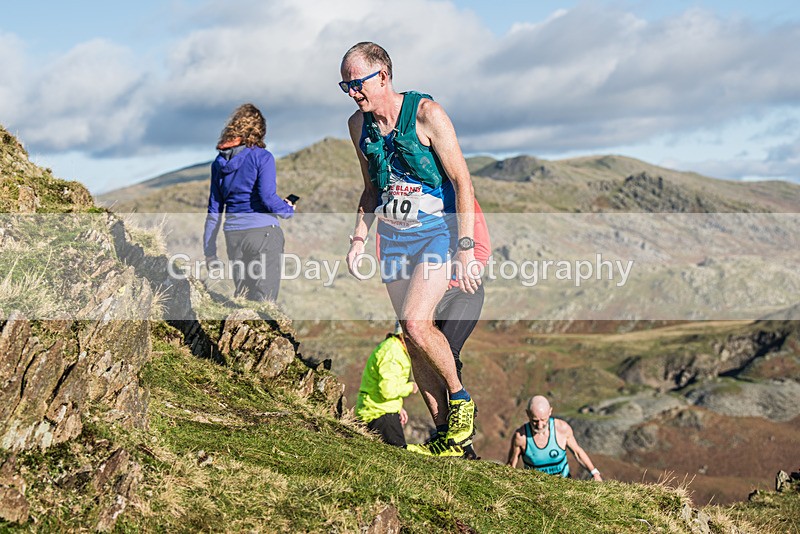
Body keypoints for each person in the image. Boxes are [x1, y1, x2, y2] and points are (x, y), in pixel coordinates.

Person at [341, 42, 481, 456]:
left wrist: (467, 249)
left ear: (383, 75)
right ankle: (447, 437)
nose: (352, 92)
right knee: (409, 333)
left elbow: (463, 183)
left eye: (357, 83)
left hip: (436, 232)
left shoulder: (426, 115)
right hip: (393, 239)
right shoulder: (357, 125)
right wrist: (358, 240)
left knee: (419, 322)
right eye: (344, 85)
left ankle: (461, 400)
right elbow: (371, 189)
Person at [410, 199, 491, 458]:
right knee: (424, 352)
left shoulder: (459, 195)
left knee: (448, 352)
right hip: (431, 294)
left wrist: (466, 270)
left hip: (463, 291)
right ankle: (447, 435)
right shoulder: (415, 196)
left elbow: (482, 245)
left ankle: (461, 439)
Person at [203, 103, 295, 301]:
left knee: (243, 297)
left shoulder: (218, 164)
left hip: (233, 235)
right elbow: (267, 197)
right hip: (263, 233)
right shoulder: (263, 157)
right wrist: (287, 210)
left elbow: (214, 211)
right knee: (264, 300)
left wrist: (210, 253)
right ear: (259, 131)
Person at [507, 395, 603, 481]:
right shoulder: (521, 437)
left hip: (564, 486)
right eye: (535, 421)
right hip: (534, 490)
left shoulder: (562, 429)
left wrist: (594, 473)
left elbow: (577, 452)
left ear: (550, 412)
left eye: (543, 420)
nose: (540, 426)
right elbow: (511, 466)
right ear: (528, 414)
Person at [355, 323, 418, 447]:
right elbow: (387, 391)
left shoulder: (393, 348)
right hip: (379, 414)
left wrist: (398, 407)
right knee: (399, 456)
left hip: (378, 410)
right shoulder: (392, 354)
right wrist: (410, 387)